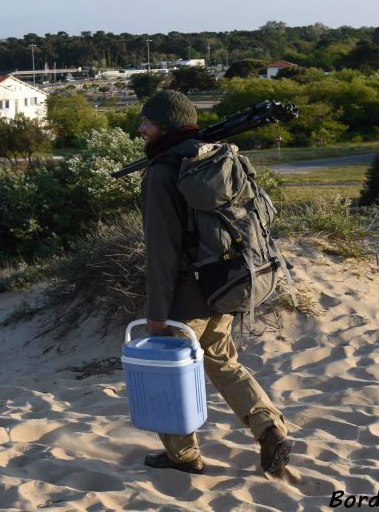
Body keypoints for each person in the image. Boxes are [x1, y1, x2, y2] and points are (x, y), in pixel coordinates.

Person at [137, 90, 293, 477]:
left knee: (169, 376)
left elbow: (162, 251)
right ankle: (269, 428)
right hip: (225, 283)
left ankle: (183, 456)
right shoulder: (214, 156)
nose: (141, 129)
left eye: (147, 123)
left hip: (186, 297)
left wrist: (157, 314)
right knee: (222, 361)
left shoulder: (162, 172)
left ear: (166, 126)